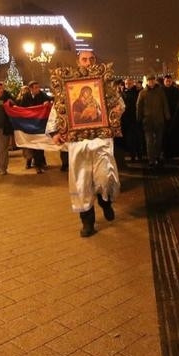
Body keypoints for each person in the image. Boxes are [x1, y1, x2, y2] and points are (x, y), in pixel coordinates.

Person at [49, 50, 122, 237]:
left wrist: (116, 111)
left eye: (91, 59)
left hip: (101, 141)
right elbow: (59, 108)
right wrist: (56, 132)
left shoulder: (104, 83)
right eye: (84, 59)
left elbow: (118, 104)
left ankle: (106, 202)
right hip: (78, 143)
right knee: (81, 183)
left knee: (105, 176)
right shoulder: (69, 84)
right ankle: (87, 221)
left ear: (95, 61)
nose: (88, 62)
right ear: (78, 62)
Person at [136, 75, 169, 168]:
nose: (151, 82)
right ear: (147, 82)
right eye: (149, 81)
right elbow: (139, 106)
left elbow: (164, 104)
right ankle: (151, 159)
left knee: (158, 140)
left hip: (159, 120)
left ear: (154, 81)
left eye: (152, 80)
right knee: (149, 141)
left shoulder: (160, 92)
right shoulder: (142, 93)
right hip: (148, 121)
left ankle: (157, 156)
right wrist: (139, 118)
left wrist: (167, 116)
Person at [18, 80, 52, 173]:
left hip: (40, 124)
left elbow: (49, 98)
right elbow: (22, 108)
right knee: (32, 145)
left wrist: (47, 102)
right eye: (36, 87)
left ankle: (39, 164)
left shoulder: (41, 94)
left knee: (40, 144)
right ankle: (34, 163)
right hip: (30, 124)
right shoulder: (26, 96)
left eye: (38, 87)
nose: (38, 89)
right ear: (31, 89)